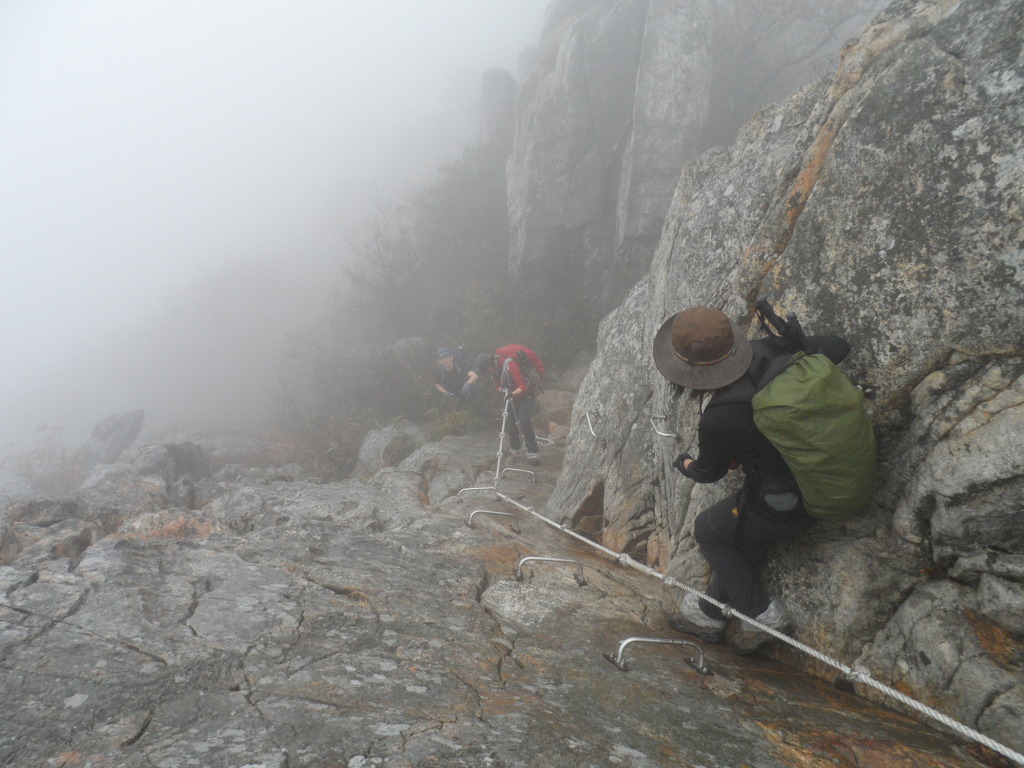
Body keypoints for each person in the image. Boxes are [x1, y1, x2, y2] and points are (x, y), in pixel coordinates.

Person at [652, 306, 849, 654]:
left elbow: (708, 473)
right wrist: (799, 346)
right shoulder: (766, 351)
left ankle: (762, 615)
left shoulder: (720, 417)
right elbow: (839, 346)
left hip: (786, 505)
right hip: (830, 478)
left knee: (708, 529)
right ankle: (709, 613)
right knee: (742, 531)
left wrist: (685, 463)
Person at [472, 344, 545, 465]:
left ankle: (533, 452)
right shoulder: (495, 370)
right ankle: (515, 447)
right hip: (512, 395)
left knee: (524, 420)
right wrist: (503, 389)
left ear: (489, 365)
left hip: (527, 393)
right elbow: (497, 386)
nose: (487, 372)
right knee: (510, 420)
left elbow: (522, 386)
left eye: (486, 370)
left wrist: (511, 393)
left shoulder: (510, 364)